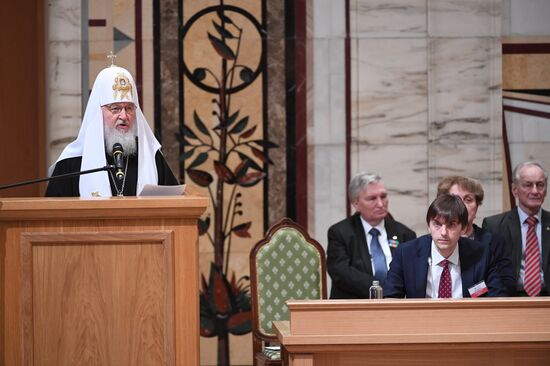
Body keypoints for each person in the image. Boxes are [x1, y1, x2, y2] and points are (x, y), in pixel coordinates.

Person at [46, 64, 178, 197]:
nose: (124, 116)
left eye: (129, 108)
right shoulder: (72, 163)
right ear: (98, 113)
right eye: (115, 108)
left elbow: (175, 201)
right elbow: (53, 212)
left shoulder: (151, 156)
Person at [384, 194, 506, 298]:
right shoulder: (406, 253)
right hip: (421, 322)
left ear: (463, 229)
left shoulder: (481, 254)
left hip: (467, 322)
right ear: (428, 226)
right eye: (437, 224)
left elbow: (497, 297)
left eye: (451, 225)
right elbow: (390, 297)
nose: (443, 232)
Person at [327, 172, 417, 299]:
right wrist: (384, 289)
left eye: (383, 196)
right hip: (354, 307)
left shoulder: (405, 234)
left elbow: (413, 273)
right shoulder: (340, 233)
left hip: (396, 306)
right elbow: (341, 273)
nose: (380, 204)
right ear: (356, 204)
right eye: (372, 198)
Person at [437, 176, 515, 295]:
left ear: (477, 206)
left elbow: (506, 285)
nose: (462, 205)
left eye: (468, 200)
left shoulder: (494, 243)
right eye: (455, 199)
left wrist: (471, 291)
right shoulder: (434, 241)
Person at [483, 161, 550, 297]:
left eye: (540, 185)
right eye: (528, 185)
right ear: (515, 190)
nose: (535, 191)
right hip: (509, 299)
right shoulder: (494, 226)